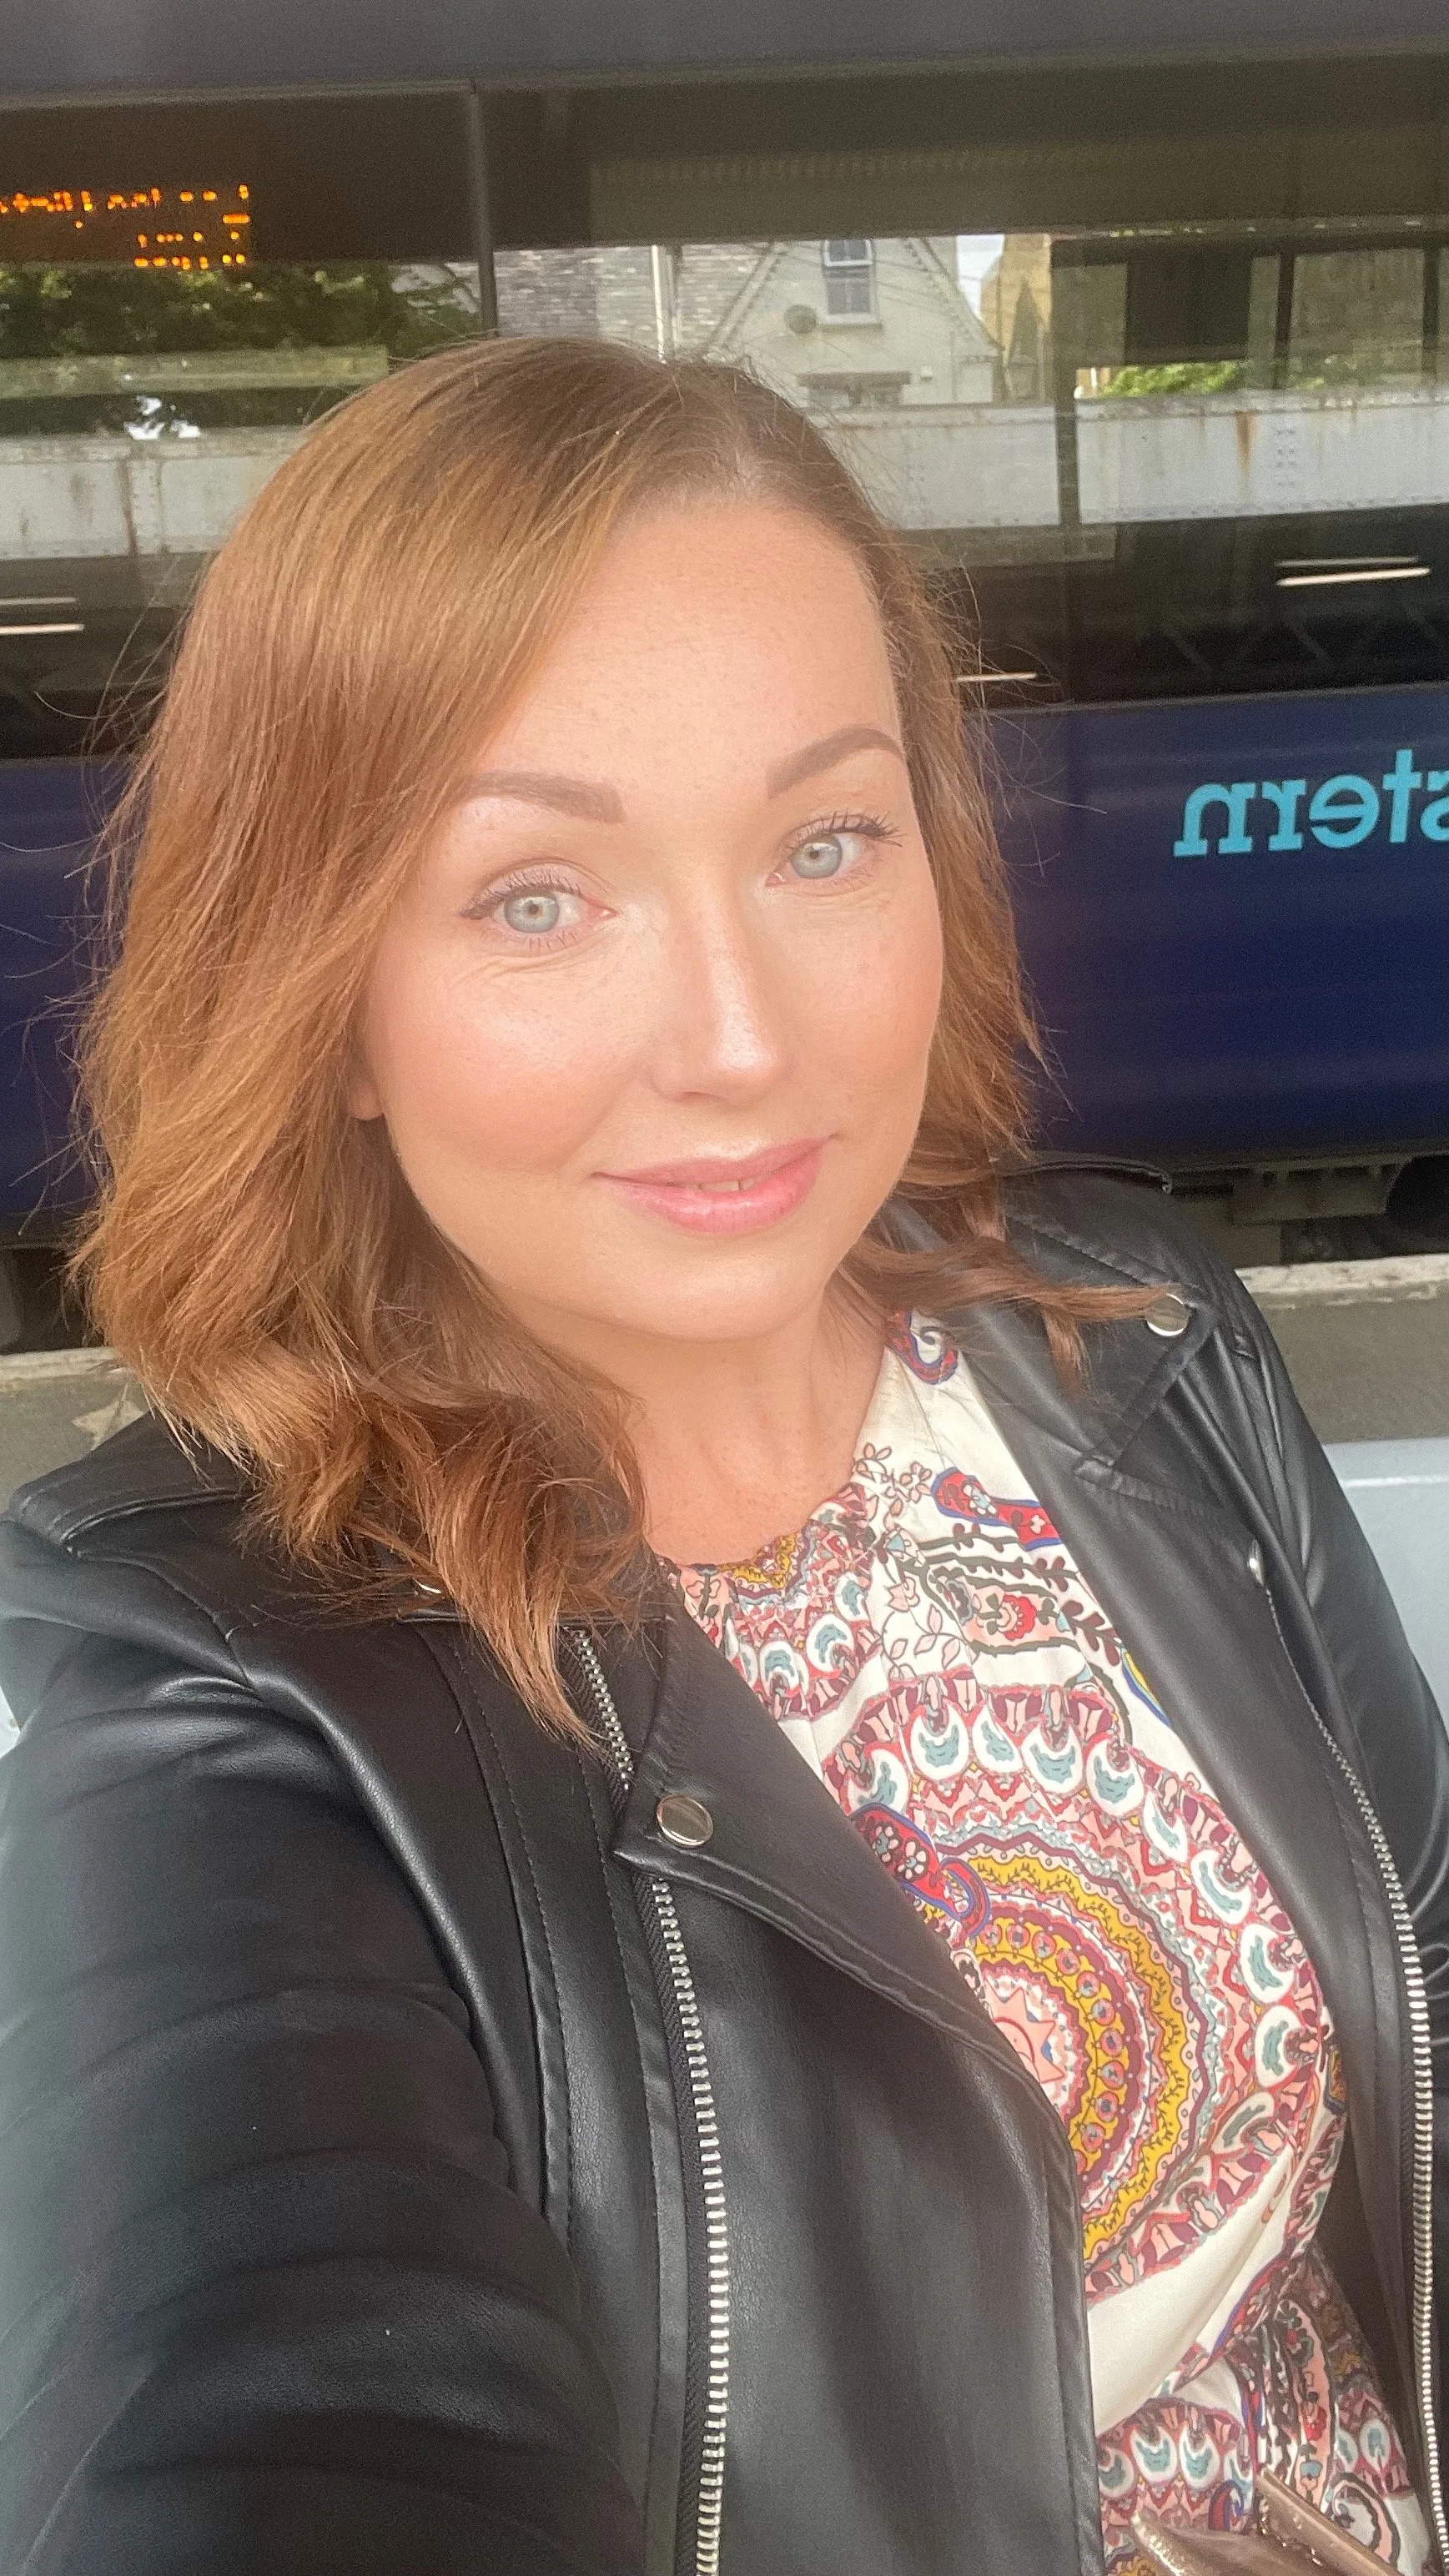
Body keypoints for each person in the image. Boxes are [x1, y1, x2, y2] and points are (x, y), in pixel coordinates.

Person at [0, 337, 1443, 2576]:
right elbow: (276, 2398)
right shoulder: (218, 1668)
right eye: (539, 896)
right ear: (329, 1003)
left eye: (826, 842)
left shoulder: (1131, 1341)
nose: (746, 1038)